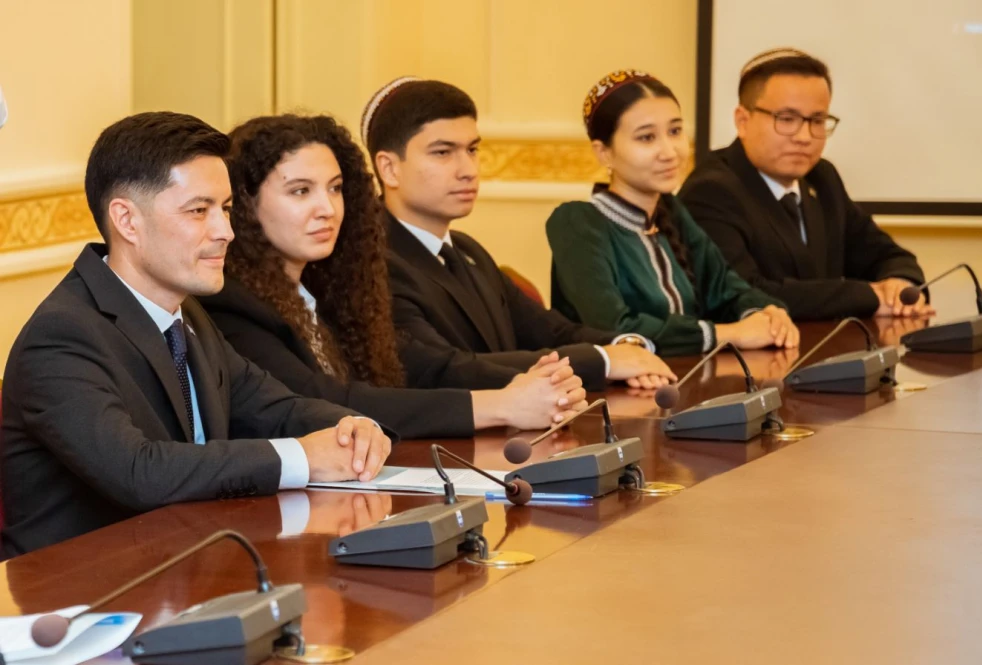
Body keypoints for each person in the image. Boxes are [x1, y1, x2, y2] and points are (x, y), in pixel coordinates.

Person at [0, 112, 391, 557]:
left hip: (187, 566)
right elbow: (138, 471)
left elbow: (277, 409)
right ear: (127, 221)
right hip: (77, 599)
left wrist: (350, 429)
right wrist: (302, 457)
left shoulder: (188, 314)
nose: (226, 232)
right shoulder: (62, 336)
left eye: (225, 209)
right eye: (198, 211)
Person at [199, 114, 588, 439]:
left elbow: (422, 367)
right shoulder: (230, 302)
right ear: (244, 204)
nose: (327, 209)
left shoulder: (331, 289)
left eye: (335, 189)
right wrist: (501, 405)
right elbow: (324, 402)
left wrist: (536, 386)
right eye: (301, 191)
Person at [363, 77, 676, 391]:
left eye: (472, 150)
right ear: (390, 168)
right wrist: (602, 360)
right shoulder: (374, 265)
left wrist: (625, 345)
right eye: (443, 153)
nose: (468, 169)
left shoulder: (466, 249)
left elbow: (548, 330)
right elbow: (443, 369)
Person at [545, 70, 799, 356]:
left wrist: (768, 314)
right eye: (646, 138)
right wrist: (728, 334)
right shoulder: (578, 223)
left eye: (675, 131)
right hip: (607, 393)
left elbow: (727, 287)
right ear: (604, 152)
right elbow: (615, 327)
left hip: (688, 381)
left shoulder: (671, 212)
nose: (669, 151)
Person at [678, 48, 931, 321]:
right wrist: (869, 296)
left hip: (826, 351)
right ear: (743, 121)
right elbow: (745, 294)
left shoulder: (822, 178)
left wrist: (900, 284)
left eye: (817, 121)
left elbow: (884, 253)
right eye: (786, 120)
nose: (804, 136)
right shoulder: (711, 191)